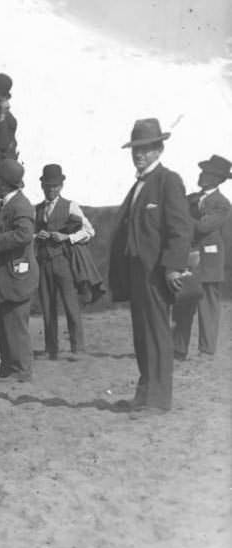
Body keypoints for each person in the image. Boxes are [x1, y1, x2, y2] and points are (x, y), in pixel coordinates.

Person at [108, 118, 191, 414]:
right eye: (136, 149)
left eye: (145, 148)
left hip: (156, 272)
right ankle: (144, 395)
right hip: (137, 272)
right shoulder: (138, 186)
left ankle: (158, 400)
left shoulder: (168, 181)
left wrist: (172, 267)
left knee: (157, 333)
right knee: (142, 334)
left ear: (159, 149)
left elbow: (181, 229)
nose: (139, 154)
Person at [0, 159, 38, 382]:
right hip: (8, 275)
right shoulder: (9, 202)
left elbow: (24, 235)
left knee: (16, 324)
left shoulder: (21, 205)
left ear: (4, 183)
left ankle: (22, 372)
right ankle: (7, 369)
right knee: (5, 323)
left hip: (18, 275)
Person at [172, 154, 231, 360]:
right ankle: (178, 349)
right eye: (203, 171)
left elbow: (203, 227)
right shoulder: (191, 199)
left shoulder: (222, 204)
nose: (202, 175)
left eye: (208, 173)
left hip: (209, 261)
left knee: (208, 305)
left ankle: (206, 350)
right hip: (189, 257)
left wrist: (181, 218)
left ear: (218, 179)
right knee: (183, 302)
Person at [34, 164, 95, 359]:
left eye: (55, 186)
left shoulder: (70, 206)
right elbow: (30, 234)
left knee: (70, 305)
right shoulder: (37, 209)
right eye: (47, 186)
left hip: (63, 262)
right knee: (47, 307)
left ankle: (78, 348)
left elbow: (89, 231)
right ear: (42, 186)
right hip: (43, 262)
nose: (51, 189)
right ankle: (51, 349)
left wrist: (66, 237)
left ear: (61, 186)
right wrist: (37, 235)